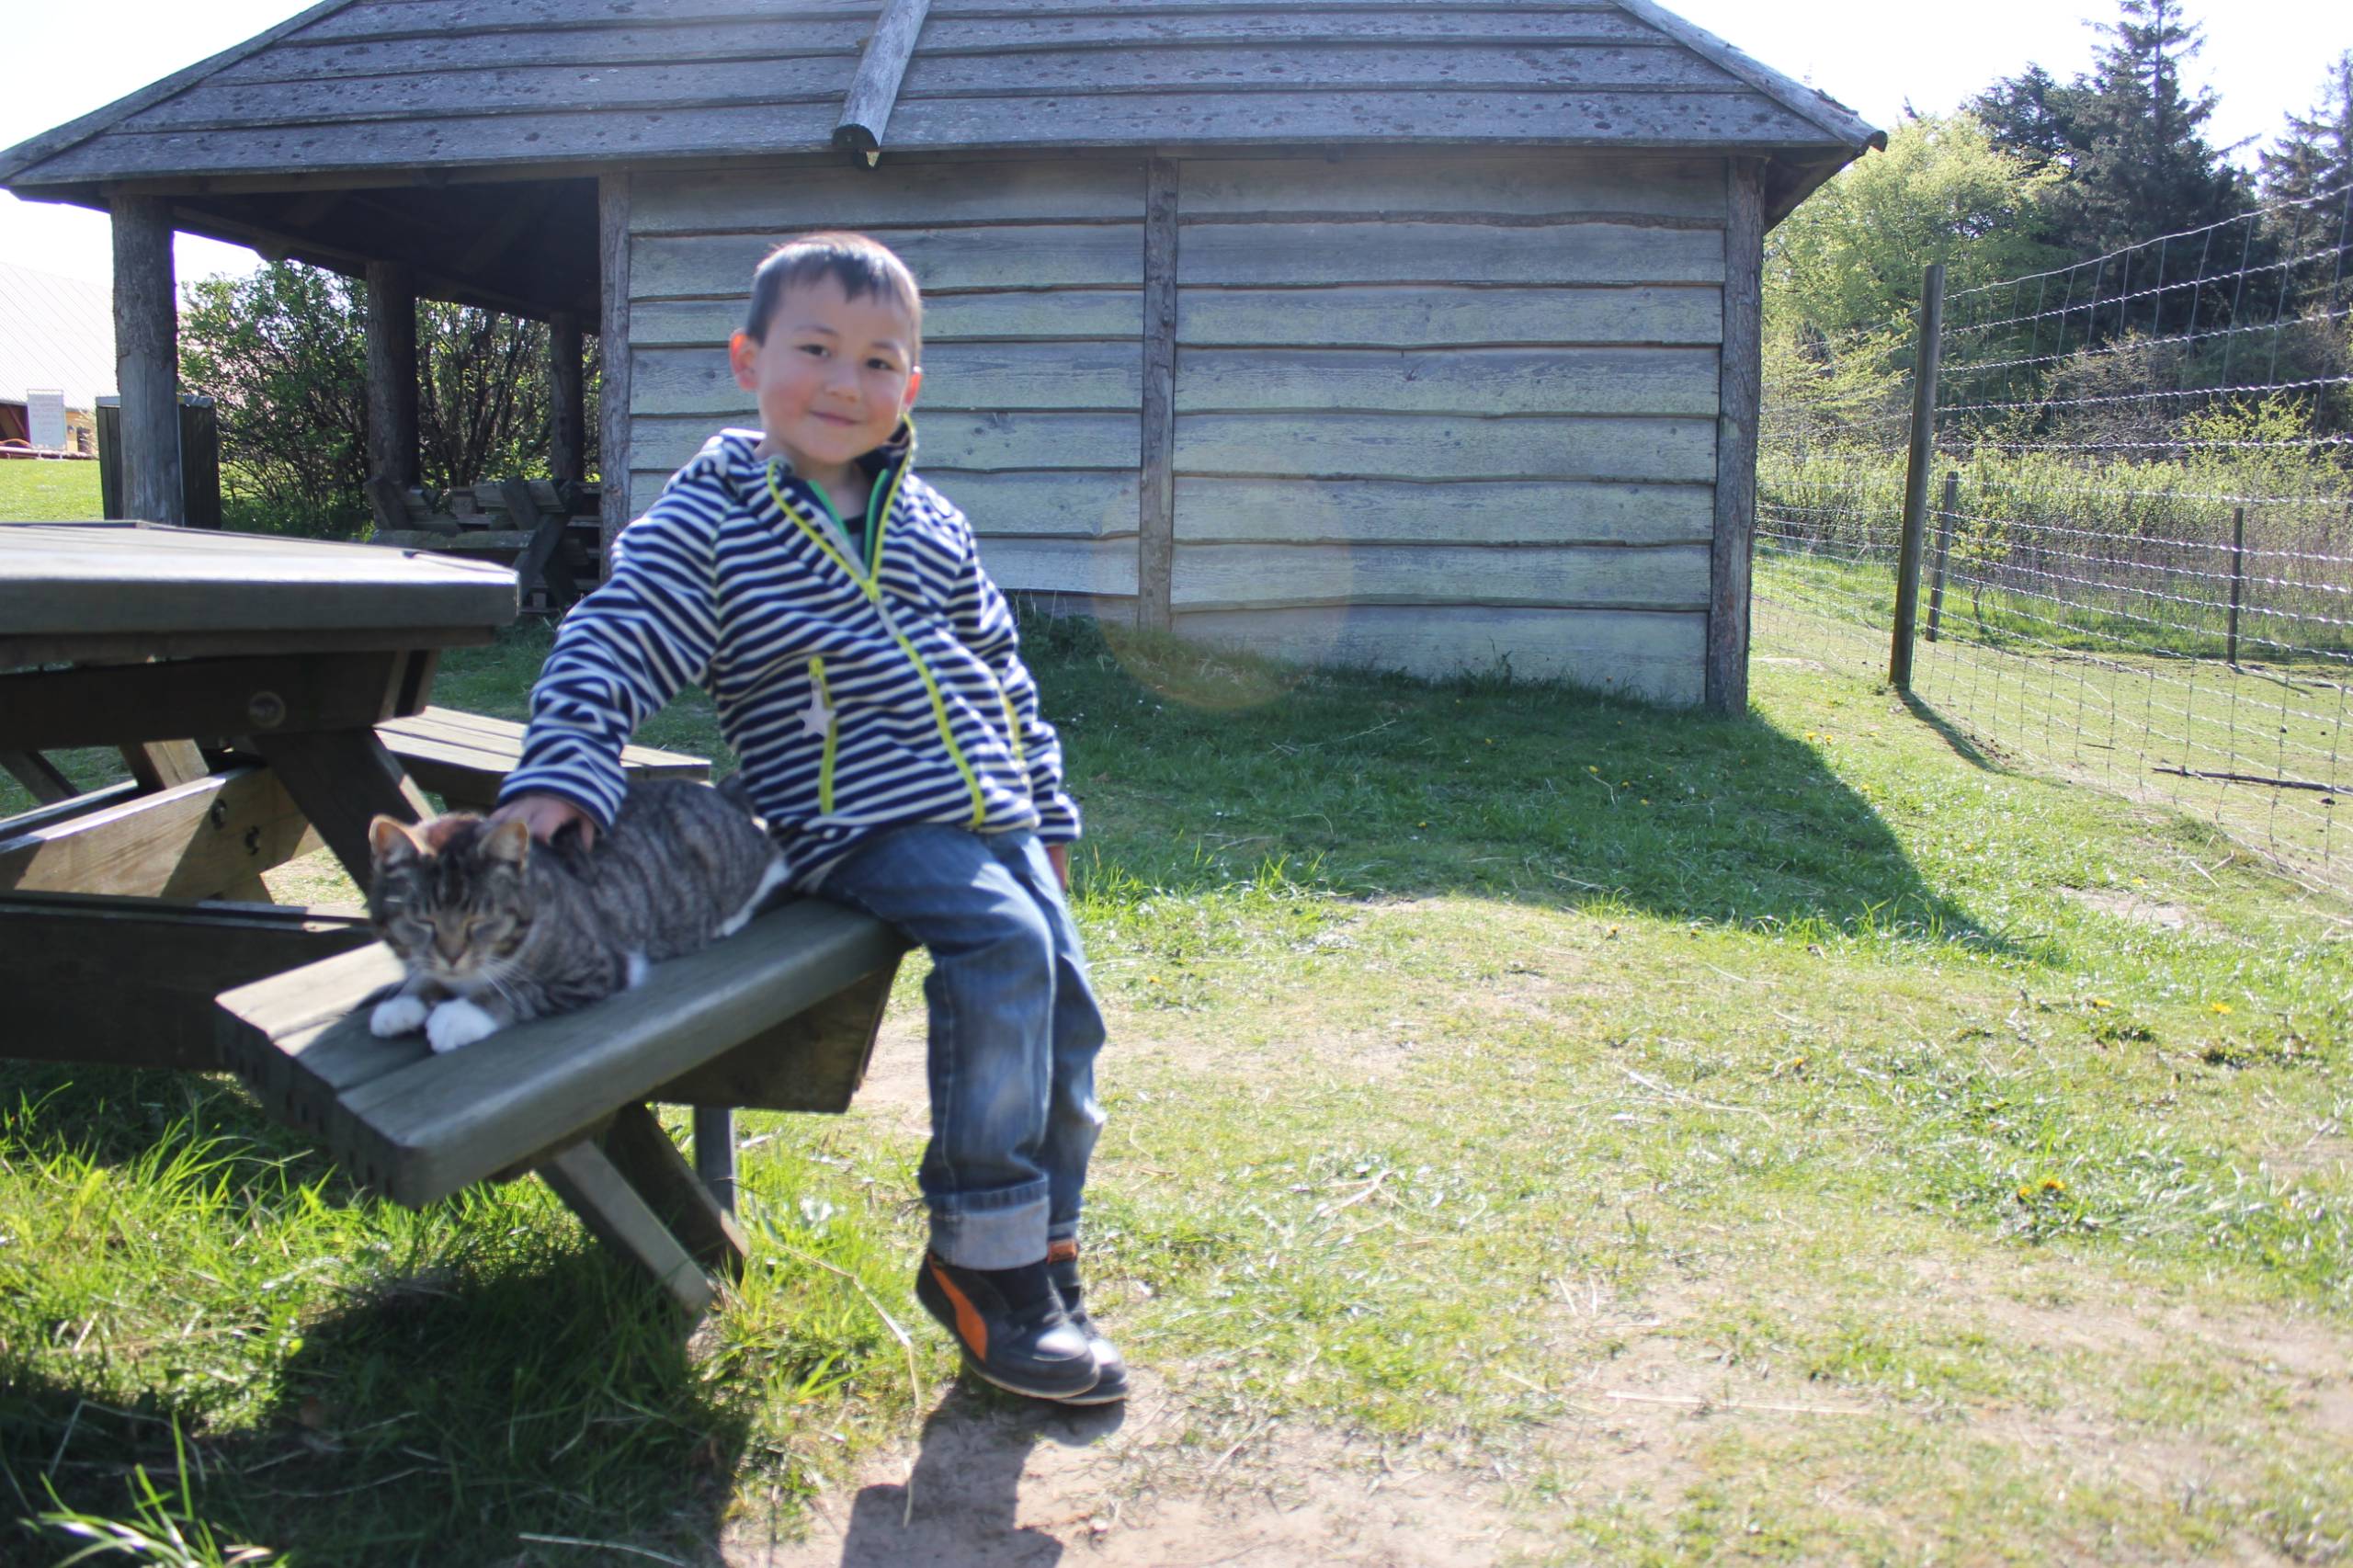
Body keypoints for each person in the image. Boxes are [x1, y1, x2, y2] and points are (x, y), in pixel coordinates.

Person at [491, 232, 1122, 1405]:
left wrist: (1045, 808)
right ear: (748, 359)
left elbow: (1002, 670)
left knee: (1068, 1009)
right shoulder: (716, 516)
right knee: (1003, 948)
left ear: (911, 385)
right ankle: (979, 1261)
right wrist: (566, 766)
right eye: (816, 349)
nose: (846, 382)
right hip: (850, 812)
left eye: (878, 361)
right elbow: (612, 634)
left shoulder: (932, 521)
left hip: (986, 812)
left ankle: (1043, 1250)